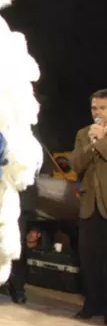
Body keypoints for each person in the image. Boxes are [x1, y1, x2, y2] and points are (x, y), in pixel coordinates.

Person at [69, 88, 107, 323]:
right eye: (94, 108)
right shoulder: (84, 134)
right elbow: (76, 164)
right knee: (89, 259)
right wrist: (91, 144)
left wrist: (101, 141)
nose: (97, 112)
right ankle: (92, 304)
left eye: (102, 108)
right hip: (89, 205)